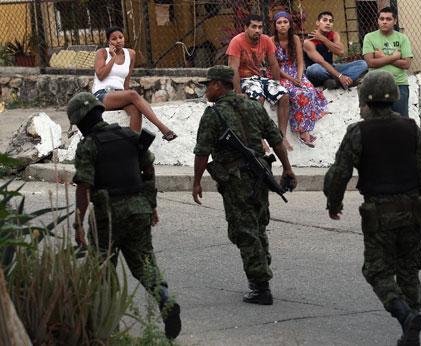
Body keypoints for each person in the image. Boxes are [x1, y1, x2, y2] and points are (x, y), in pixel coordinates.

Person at [323, 71, 421, 346]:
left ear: (366, 100)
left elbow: (339, 173)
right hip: (415, 211)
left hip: (380, 214)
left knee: (377, 271)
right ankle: (411, 330)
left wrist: (334, 202)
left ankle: (405, 316)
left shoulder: (358, 132)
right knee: (409, 271)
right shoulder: (411, 128)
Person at [67, 92, 181, 339]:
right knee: (144, 264)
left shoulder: (88, 146)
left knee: (103, 271)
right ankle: (165, 300)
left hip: (107, 217)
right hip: (138, 210)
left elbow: (84, 187)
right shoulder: (130, 136)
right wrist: (151, 205)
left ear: (80, 121)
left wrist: (78, 224)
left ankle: (110, 327)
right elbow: (148, 169)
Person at [192, 65, 297, 305]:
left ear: (219, 84)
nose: (206, 90)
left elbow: (202, 152)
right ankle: (262, 272)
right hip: (259, 176)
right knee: (258, 225)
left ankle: (260, 286)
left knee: (244, 230)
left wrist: (197, 181)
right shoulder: (253, 106)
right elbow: (276, 139)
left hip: (236, 179)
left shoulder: (213, 114)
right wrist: (287, 168)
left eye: (208, 85)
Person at [92, 27, 177, 141]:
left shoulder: (131, 54)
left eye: (120, 37)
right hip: (101, 95)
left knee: (135, 110)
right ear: (109, 42)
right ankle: (163, 129)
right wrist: (113, 58)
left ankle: (132, 146)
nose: (118, 41)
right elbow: (101, 75)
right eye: (114, 39)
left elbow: (126, 81)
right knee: (132, 94)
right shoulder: (102, 53)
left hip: (119, 95)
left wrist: (124, 95)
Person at [226, 15, 293, 151]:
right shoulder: (236, 41)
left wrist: (276, 85)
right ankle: (259, 138)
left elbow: (274, 64)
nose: (257, 30)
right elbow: (233, 69)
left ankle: (281, 136)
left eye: (260, 27)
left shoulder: (266, 40)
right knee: (258, 97)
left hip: (259, 78)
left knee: (284, 95)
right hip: (243, 78)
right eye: (254, 27)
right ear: (246, 28)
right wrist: (238, 93)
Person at [271, 11, 328, 148]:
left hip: (296, 72)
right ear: (275, 25)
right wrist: (291, 79)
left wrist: (299, 77)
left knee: (309, 90)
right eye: (279, 23)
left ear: (290, 24)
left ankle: (306, 127)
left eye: (285, 22)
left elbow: (301, 62)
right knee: (298, 93)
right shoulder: (271, 41)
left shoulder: (295, 39)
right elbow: (274, 66)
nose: (283, 25)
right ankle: (303, 132)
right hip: (281, 74)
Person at [362, 6, 413, 117]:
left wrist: (382, 56)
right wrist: (394, 57)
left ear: (395, 21)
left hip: (399, 85)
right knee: (377, 124)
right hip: (375, 86)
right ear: (378, 20)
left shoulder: (402, 38)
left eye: (388, 19)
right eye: (382, 19)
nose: (384, 22)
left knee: (402, 122)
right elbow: (370, 62)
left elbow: (406, 64)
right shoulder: (369, 37)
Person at [304, 11, 368, 89]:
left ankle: (333, 81)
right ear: (317, 23)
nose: (328, 23)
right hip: (318, 70)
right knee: (314, 69)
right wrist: (339, 75)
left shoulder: (334, 35)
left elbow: (340, 52)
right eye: (325, 20)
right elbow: (321, 62)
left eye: (330, 21)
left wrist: (323, 39)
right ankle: (342, 80)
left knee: (362, 64)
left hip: (332, 67)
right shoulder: (308, 41)